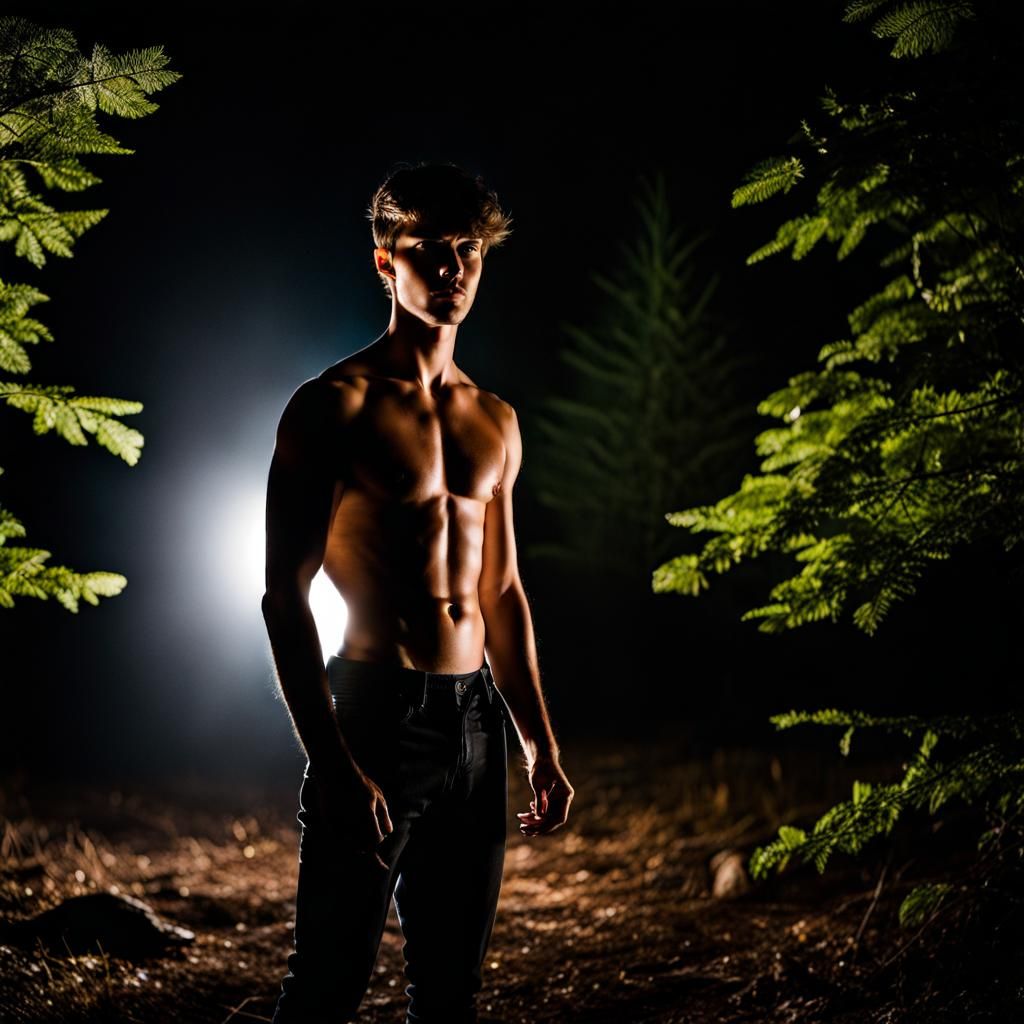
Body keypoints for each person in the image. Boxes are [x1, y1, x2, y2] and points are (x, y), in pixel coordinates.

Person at [263, 161, 575, 1024]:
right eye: (429, 249)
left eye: (467, 250)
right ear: (385, 261)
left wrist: (538, 743)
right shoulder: (332, 407)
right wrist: (333, 760)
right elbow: (283, 597)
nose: (451, 268)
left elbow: (501, 592)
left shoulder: (496, 420)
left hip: (474, 725)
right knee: (324, 989)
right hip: (374, 713)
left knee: (450, 994)